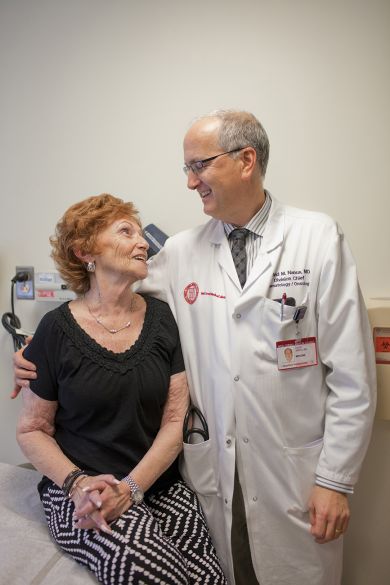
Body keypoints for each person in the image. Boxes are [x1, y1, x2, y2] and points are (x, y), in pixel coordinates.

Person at [13, 111, 376, 585]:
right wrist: (33, 353)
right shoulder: (182, 252)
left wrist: (334, 480)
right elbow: (101, 299)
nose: (190, 182)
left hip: (294, 466)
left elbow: (353, 374)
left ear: (246, 160)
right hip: (214, 467)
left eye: (199, 165)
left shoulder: (317, 237)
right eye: (187, 168)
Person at [15, 193, 227, 585]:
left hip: (155, 484)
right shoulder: (55, 330)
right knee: (150, 571)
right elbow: (32, 429)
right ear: (85, 252)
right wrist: (77, 484)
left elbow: (174, 420)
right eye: (125, 231)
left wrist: (131, 489)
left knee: (208, 576)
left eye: (140, 231)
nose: (143, 241)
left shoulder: (162, 319)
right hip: (80, 489)